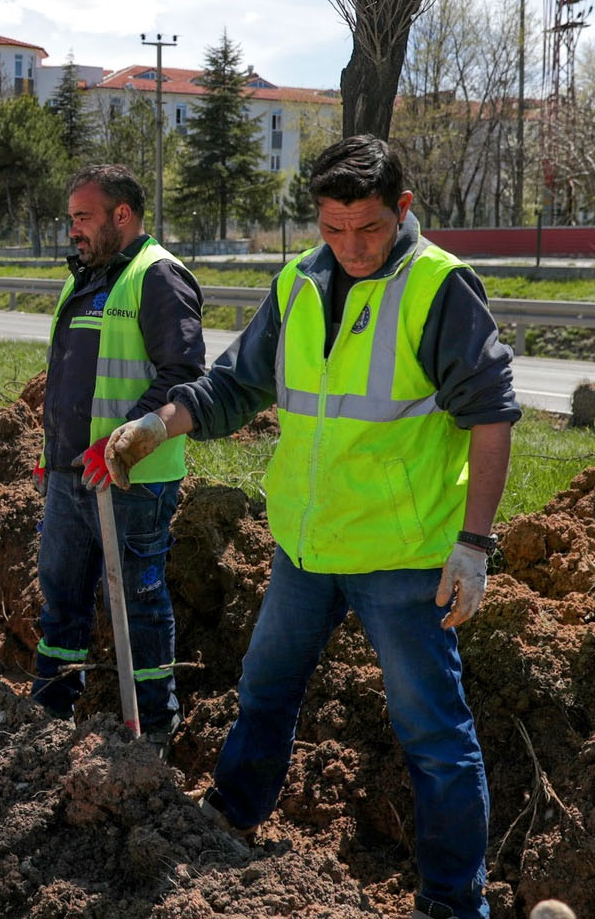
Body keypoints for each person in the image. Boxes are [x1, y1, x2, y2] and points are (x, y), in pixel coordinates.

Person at [107, 135, 517, 919]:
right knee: (264, 690)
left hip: (402, 556)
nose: (352, 247)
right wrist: (157, 426)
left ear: (402, 209)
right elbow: (234, 384)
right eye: (333, 230)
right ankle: (230, 820)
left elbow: (493, 416)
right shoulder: (297, 283)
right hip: (305, 546)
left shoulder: (441, 288)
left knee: (433, 734)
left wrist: (474, 545)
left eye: (367, 228)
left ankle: (452, 903)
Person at [30, 164, 206, 747]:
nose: (73, 229)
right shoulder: (86, 276)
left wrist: (125, 441)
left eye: (84, 217)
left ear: (121, 215)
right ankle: (50, 722)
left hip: (134, 483)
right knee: (61, 599)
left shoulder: (158, 278)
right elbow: (73, 380)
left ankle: (152, 734)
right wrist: (54, 453)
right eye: (71, 217)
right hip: (70, 476)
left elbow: (182, 378)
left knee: (139, 607)